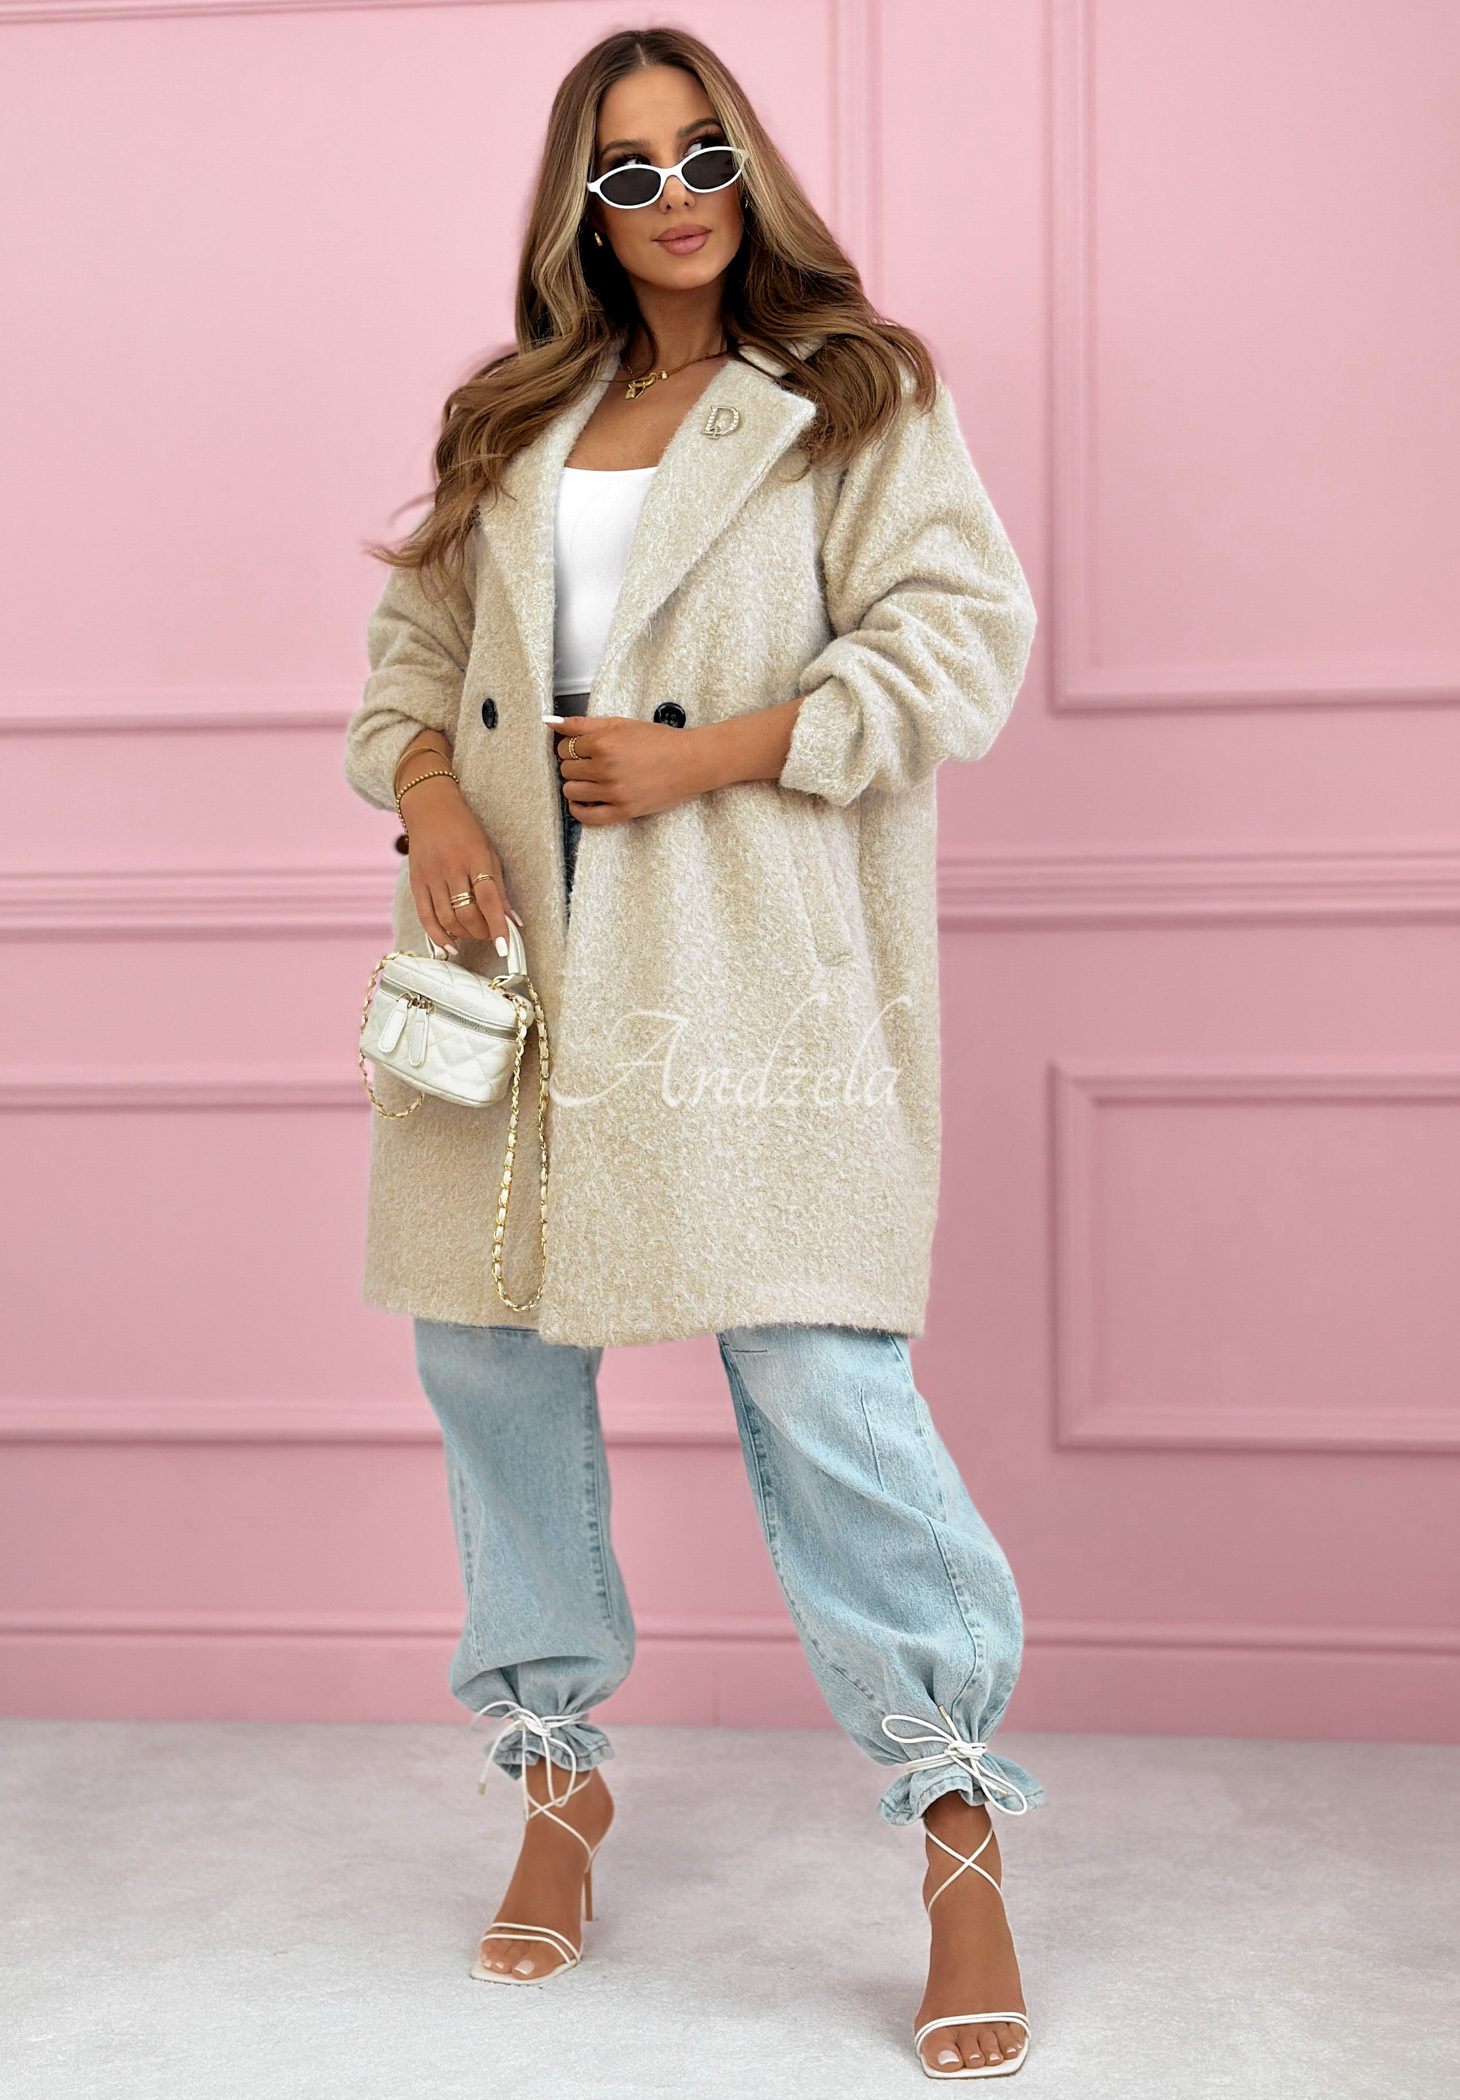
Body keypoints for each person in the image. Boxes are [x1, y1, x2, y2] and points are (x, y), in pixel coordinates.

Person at [345, 27, 1039, 2081]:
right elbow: (409, 664)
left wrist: (713, 753)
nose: (674, 199)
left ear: (752, 167)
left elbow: (957, 642)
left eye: (703, 153)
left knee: (821, 1374)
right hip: (509, 970)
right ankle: (554, 1777)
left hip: (746, 965)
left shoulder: (852, 393)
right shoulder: (514, 417)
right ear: (582, 206)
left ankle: (957, 1823)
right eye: (628, 171)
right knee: (488, 1363)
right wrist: (433, 804)